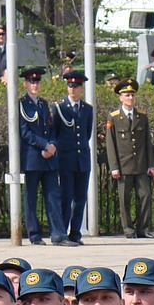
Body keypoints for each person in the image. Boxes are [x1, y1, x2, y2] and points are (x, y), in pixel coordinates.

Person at [104, 78, 154, 239]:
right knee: (124, 200)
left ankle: (143, 228)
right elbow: (110, 144)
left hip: (140, 164)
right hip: (123, 165)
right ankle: (128, 229)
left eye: (132, 95)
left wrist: (151, 164)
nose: (130, 98)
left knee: (145, 196)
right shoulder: (114, 117)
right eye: (127, 95)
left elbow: (147, 142)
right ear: (120, 98)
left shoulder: (142, 116)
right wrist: (114, 167)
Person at [19, 66, 65, 245]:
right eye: (31, 82)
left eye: (37, 81)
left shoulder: (43, 104)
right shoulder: (21, 104)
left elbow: (50, 128)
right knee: (31, 198)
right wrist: (44, 145)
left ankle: (58, 234)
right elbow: (25, 132)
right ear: (25, 84)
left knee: (53, 196)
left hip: (49, 158)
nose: (35, 85)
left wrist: (53, 145)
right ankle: (34, 235)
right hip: (33, 157)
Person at [53, 71, 93, 246]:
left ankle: (75, 233)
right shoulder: (59, 108)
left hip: (82, 159)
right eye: (70, 86)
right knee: (66, 196)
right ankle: (62, 232)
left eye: (76, 86)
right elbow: (55, 132)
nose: (72, 90)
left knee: (80, 198)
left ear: (81, 88)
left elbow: (86, 133)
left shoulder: (87, 109)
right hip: (66, 159)